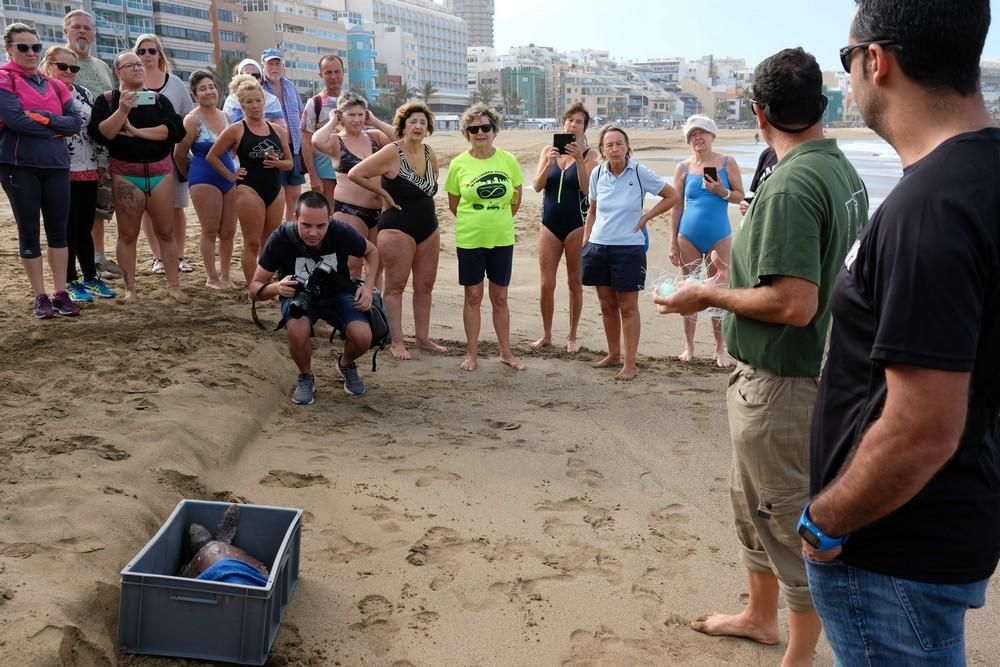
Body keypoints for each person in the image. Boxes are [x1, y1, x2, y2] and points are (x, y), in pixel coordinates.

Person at [654, 48, 867, 667]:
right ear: (822, 108)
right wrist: (734, 272)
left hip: (785, 381)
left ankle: (796, 654)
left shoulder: (795, 183)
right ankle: (758, 615)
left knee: (784, 515)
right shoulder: (838, 169)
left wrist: (707, 294)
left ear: (757, 112)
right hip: (788, 375)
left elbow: (795, 303)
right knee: (751, 504)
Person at [805, 2, 1000, 665]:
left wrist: (825, 521)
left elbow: (921, 428)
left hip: (891, 554)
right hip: (947, 525)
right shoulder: (978, 179)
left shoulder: (933, 209)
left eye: (847, 61)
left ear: (876, 62)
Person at [249, 191, 380, 403]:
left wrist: (368, 287)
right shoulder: (281, 238)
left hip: (337, 294)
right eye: (306, 225)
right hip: (300, 297)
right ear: (295, 218)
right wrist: (276, 288)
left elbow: (372, 252)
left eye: (321, 226)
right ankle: (306, 375)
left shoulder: (341, 231)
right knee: (297, 330)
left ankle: (345, 364)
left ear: (329, 221)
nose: (313, 232)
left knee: (363, 336)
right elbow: (254, 288)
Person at [347, 101, 447, 361]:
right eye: (412, 121)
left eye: (423, 122)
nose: (418, 126)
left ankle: (423, 338)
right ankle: (397, 341)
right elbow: (356, 173)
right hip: (396, 228)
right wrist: (382, 194)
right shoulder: (392, 152)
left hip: (428, 227)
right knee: (395, 286)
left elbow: (431, 186)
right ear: (402, 126)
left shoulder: (429, 153)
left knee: (425, 285)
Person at [89, 50, 187, 302]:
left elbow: (174, 130)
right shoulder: (108, 100)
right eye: (129, 65)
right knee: (128, 234)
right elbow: (102, 133)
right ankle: (130, 288)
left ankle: (174, 286)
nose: (137, 67)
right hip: (126, 174)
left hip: (160, 172)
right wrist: (122, 110)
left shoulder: (159, 100)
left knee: (166, 231)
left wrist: (136, 131)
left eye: (139, 64)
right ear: (117, 72)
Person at [583, 125, 678, 381]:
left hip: (628, 248)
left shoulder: (638, 172)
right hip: (598, 246)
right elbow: (592, 211)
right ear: (602, 149)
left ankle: (630, 363)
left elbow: (672, 195)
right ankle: (613, 355)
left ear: (627, 147)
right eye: (609, 145)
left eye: (619, 144)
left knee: (627, 307)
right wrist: (586, 243)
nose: (615, 149)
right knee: (606, 305)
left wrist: (647, 216)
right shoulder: (597, 174)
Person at [0, 23, 82, 318]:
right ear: (9, 49)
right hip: (19, 165)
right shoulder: (4, 78)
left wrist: (44, 117)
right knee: (29, 231)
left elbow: (75, 123)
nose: (31, 53)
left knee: (59, 231)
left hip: (56, 165)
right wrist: (55, 124)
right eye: (23, 47)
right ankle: (40, 296)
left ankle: (61, 292)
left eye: (35, 47)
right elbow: (14, 120)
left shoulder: (56, 84)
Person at [445, 104, 526, 372]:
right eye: (473, 129)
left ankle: (506, 352)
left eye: (485, 127)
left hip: (502, 237)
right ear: (466, 133)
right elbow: (454, 204)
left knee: (500, 297)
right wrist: (477, 219)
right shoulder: (458, 164)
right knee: (473, 295)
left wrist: (497, 218)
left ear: (494, 130)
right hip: (470, 238)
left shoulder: (508, 160)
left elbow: (515, 198)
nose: (480, 132)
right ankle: (472, 354)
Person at [42, 45, 116, 303]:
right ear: (49, 65)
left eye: (73, 67)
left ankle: (89, 276)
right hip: (60, 168)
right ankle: (70, 280)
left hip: (87, 168)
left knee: (84, 226)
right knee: (66, 228)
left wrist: (102, 162)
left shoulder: (83, 93)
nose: (68, 72)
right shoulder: (44, 92)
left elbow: (93, 130)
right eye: (62, 66)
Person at [671, 114, 743, 367]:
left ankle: (719, 348)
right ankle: (688, 347)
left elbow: (740, 196)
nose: (697, 138)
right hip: (687, 236)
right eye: (692, 135)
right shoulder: (682, 167)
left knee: (717, 293)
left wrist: (721, 191)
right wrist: (672, 241)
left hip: (719, 235)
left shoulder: (727, 162)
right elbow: (677, 206)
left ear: (712, 135)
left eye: (701, 133)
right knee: (689, 291)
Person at [207, 74, 292, 285]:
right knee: (252, 243)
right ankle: (254, 288)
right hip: (249, 189)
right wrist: (231, 175)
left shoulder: (277, 130)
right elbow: (212, 155)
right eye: (249, 101)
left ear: (264, 101)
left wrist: (278, 163)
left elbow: (290, 163)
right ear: (241, 104)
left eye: (258, 100)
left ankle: (266, 284)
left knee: (270, 242)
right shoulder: (236, 130)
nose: (255, 105)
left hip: (274, 188)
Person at [530, 102, 597, 353]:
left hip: (576, 224)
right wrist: (549, 163)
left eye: (579, 122)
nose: (574, 125)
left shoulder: (591, 155)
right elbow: (537, 186)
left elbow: (587, 190)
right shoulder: (549, 150)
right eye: (570, 120)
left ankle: (571, 336)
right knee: (546, 283)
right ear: (563, 124)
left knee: (574, 283)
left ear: (584, 128)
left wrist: (579, 160)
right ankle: (546, 334)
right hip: (549, 223)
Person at [62, 9, 120, 280]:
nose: (82, 31)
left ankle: (98, 258)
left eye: (87, 27)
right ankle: (72, 265)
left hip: (100, 149)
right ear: (66, 31)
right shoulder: (58, 63)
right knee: (72, 213)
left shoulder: (101, 66)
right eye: (76, 27)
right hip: (69, 152)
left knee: (98, 207)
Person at [132, 33, 194, 275]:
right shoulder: (131, 83)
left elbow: (189, 119)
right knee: (149, 209)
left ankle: (179, 256)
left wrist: (182, 150)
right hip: (141, 156)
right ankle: (158, 257)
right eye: (141, 51)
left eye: (151, 51)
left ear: (160, 54)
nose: (147, 55)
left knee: (177, 207)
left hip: (172, 156)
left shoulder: (176, 84)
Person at [311, 92, 391, 279]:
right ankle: (351, 305)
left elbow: (400, 141)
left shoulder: (375, 137)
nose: (356, 120)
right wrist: (332, 121)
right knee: (353, 264)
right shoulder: (336, 141)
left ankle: (373, 304)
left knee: (377, 265)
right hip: (350, 210)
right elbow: (316, 140)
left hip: (378, 211)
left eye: (360, 114)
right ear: (341, 116)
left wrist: (376, 121)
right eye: (351, 115)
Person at [173, 70, 237, 289]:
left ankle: (226, 275)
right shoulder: (192, 120)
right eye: (203, 88)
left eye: (211, 87)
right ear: (194, 94)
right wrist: (191, 173)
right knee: (210, 229)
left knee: (229, 230)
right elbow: (179, 153)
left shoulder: (225, 116)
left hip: (229, 177)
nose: (209, 91)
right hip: (203, 177)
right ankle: (212, 277)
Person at [260, 48, 304, 223]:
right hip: (270, 148)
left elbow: (301, 115)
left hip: (293, 147)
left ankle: (290, 231)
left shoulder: (290, 86)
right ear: (263, 65)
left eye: (277, 63)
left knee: (294, 194)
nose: (274, 67)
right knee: (273, 195)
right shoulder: (259, 87)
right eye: (270, 63)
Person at [300, 54, 344, 205]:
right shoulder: (314, 103)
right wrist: (313, 176)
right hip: (324, 171)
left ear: (343, 73)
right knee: (328, 217)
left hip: (348, 170)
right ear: (321, 75)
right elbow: (306, 142)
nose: (333, 77)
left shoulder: (352, 102)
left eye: (337, 71)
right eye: (328, 72)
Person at [221, 59, 286, 129]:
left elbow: (281, 130)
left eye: (255, 75)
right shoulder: (231, 101)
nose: (251, 78)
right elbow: (225, 128)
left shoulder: (272, 100)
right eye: (246, 75)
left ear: (261, 78)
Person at [739, 146, 778, 217]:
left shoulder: (802, 158)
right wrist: (749, 208)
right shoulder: (767, 153)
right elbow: (757, 193)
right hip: (764, 222)